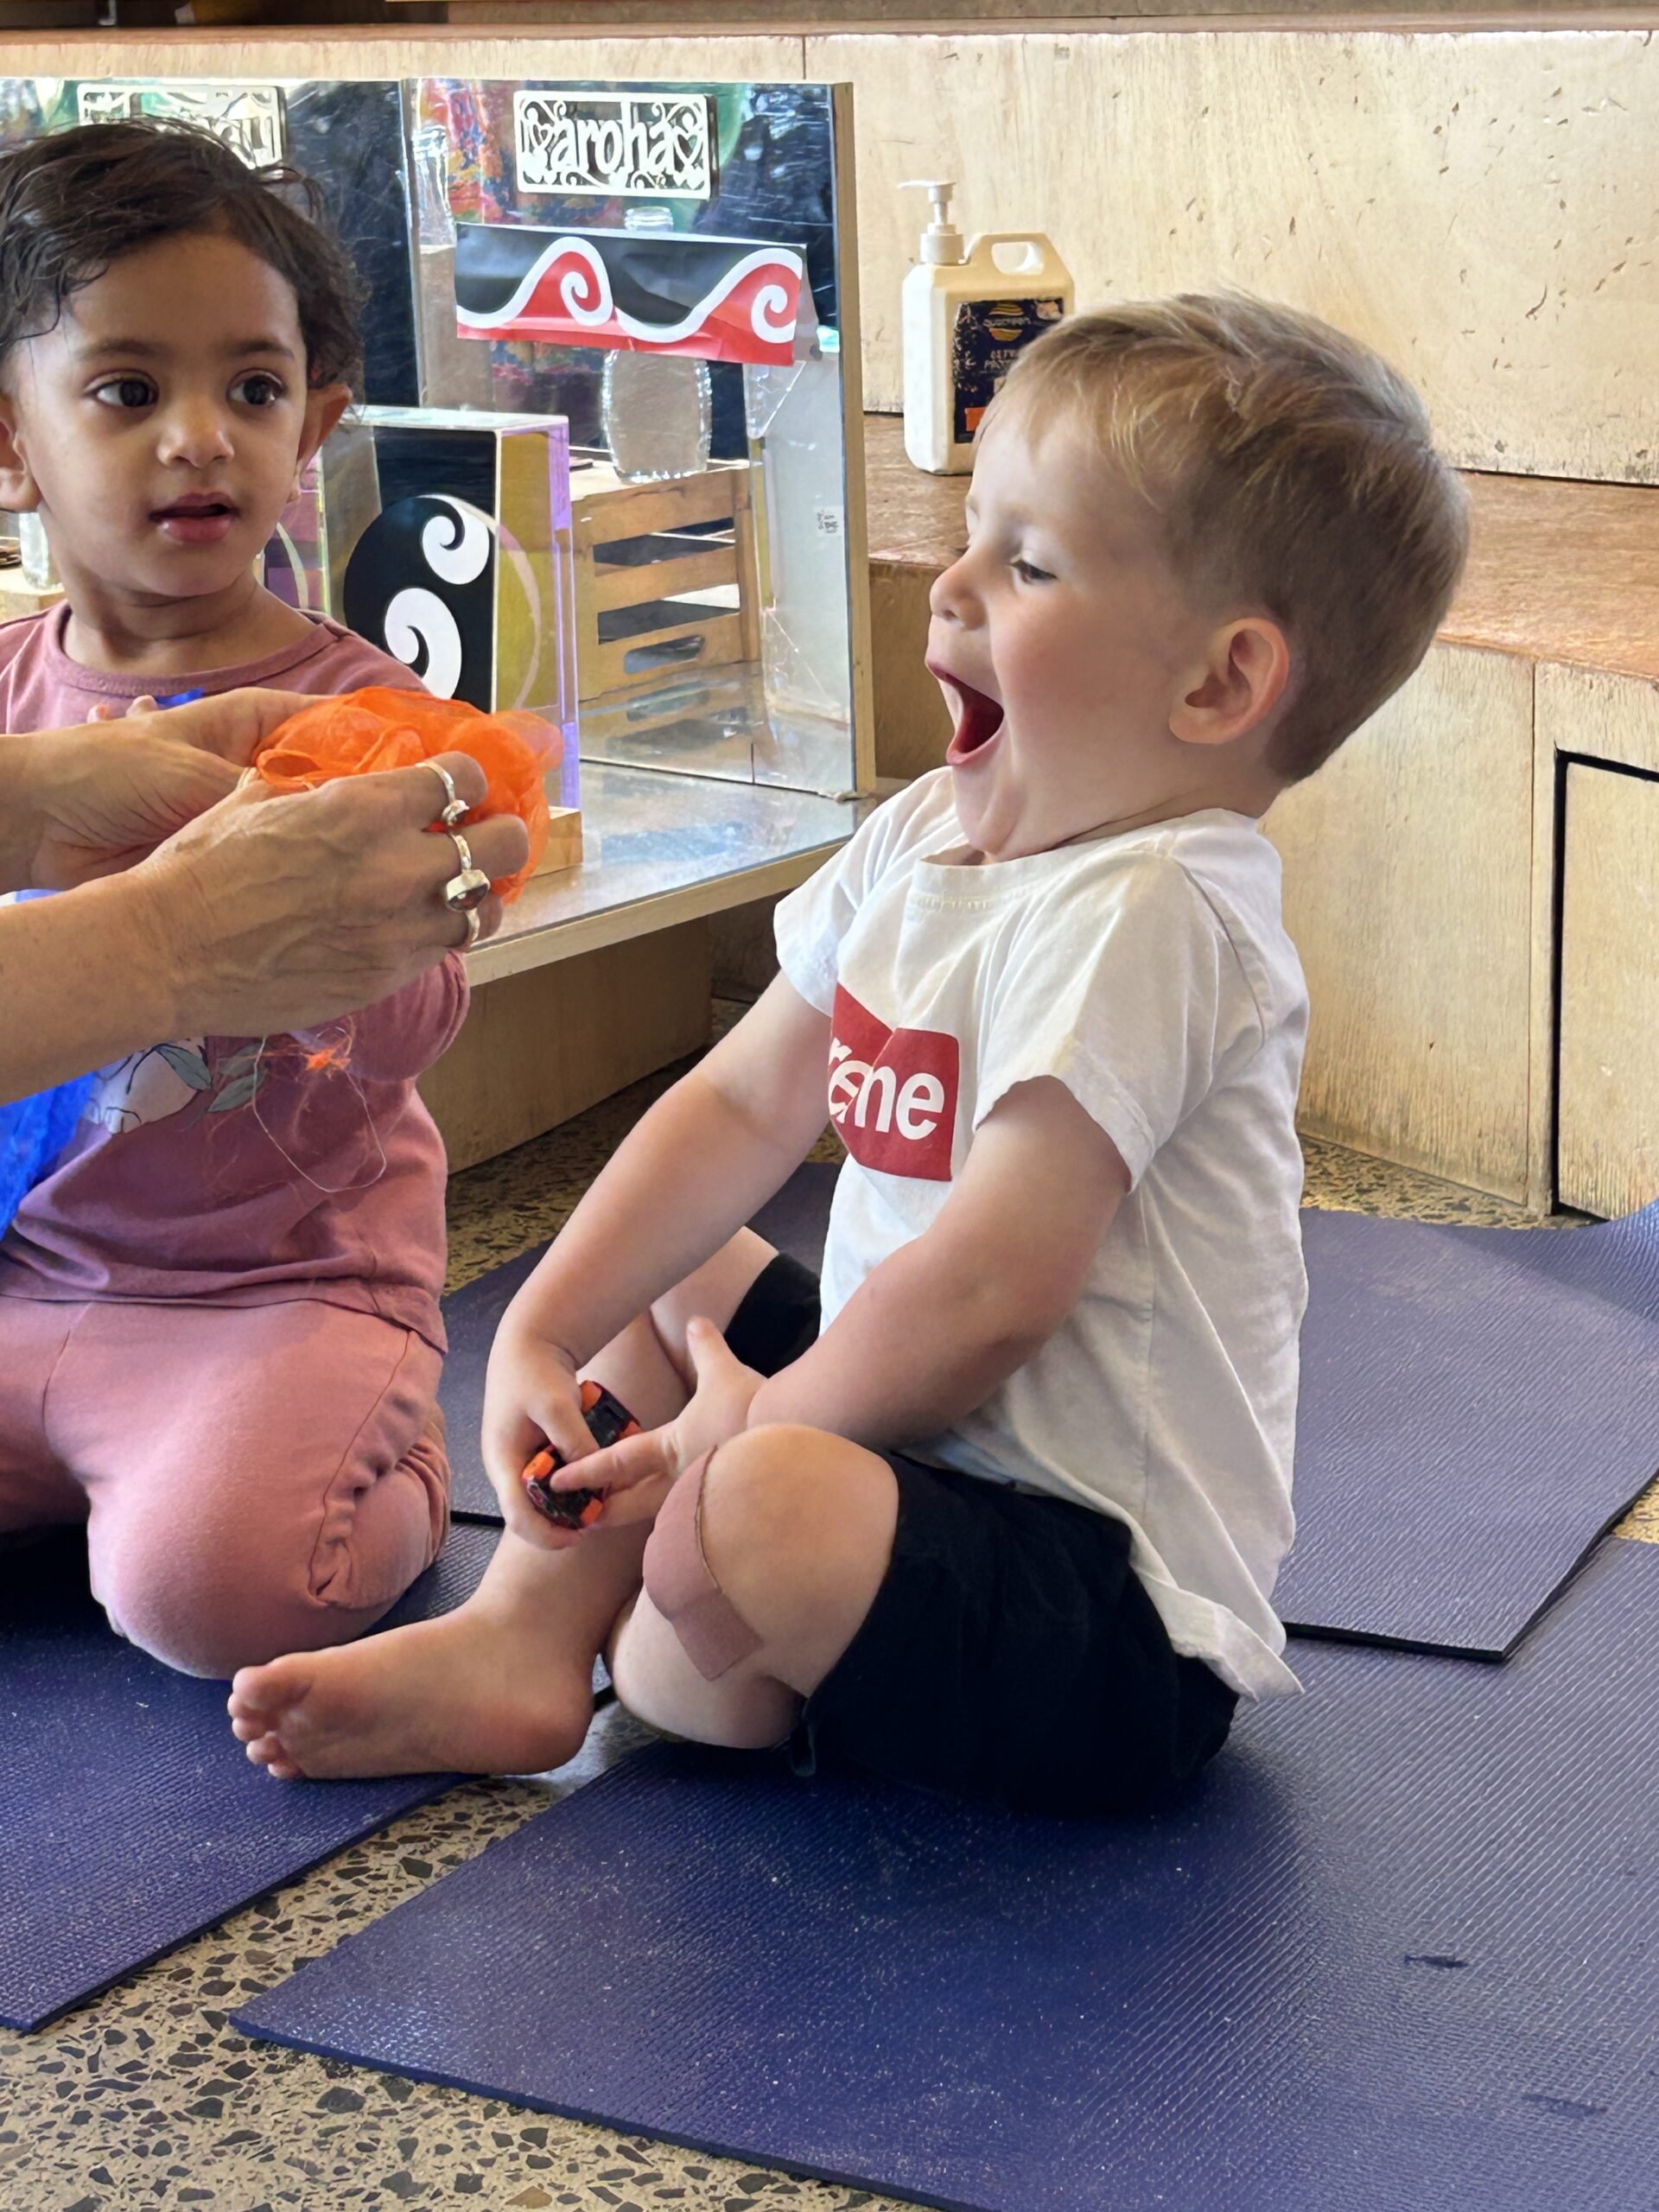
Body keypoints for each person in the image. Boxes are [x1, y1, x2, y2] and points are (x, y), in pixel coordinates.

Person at [230, 295, 1470, 1815]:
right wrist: (545, 1327)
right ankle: (525, 1638)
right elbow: (739, 1098)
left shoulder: (1156, 911)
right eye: (972, 532)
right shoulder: (929, 831)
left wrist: (741, 1433)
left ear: (1216, 684)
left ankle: (705, 1623)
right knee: (677, 1279)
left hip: (1100, 1616)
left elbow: (989, 1295)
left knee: (748, 1518)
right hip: (907, 1444)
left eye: (1028, 564)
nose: (950, 585)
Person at [0, 121, 486, 1677]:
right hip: (30, 1277)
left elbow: (419, 1013)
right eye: (128, 391)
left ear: (316, 425)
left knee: (211, 1591)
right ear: (12, 438)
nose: (201, 437)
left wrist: (307, 918)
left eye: (255, 390)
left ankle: (388, 1451)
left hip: (277, 1296)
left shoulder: (363, 714)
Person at [0, 693, 524, 1103]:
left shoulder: (365, 704)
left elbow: (408, 1036)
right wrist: (174, 922)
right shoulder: (14, 663)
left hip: (315, 1212)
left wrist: (37, 802)